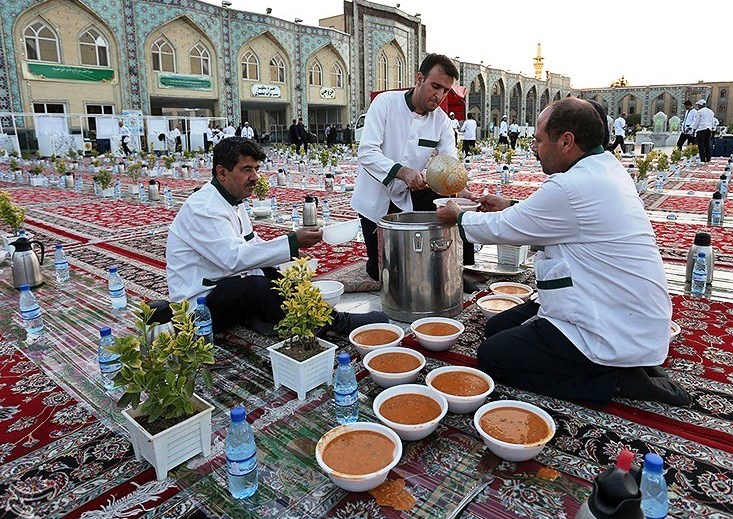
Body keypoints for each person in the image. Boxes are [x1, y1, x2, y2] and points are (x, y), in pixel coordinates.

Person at [435, 98, 690, 407]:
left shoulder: (571, 186)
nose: (534, 148)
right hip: (618, 308)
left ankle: (615, 381)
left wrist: (458, 216)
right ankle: (623, 363)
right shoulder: (605, 169)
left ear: (566, 141)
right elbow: (560, 220)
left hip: (606, 322)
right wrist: (510, 206)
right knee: (496, 327)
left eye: (539, 140)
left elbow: (505, 228)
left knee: (493, 357)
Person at [166, 137, 387, 335]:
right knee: (253, 288)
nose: (254, 177)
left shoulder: (233, 199)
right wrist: (293, 241)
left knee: (277, 276)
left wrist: (287, 266)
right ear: (221, 172)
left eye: (256, 169)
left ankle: (297, 316)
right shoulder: (203, 208)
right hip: (199, 304)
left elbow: (253, 244)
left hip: (223, 285)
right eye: (246, 170)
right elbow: (233, 259)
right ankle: (336, 325)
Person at [351, 53, 477, 285]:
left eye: (446, 90)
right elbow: (367, 152)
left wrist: (462, 190)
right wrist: (404, 172)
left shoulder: (441, 121)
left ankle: (461, 269)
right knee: (383, 272)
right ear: (419, 78)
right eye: (435, 86)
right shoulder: (386, 103)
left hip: (411, 191)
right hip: (376, 193)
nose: (439, 96)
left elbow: (450, 164)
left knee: (456, 209)